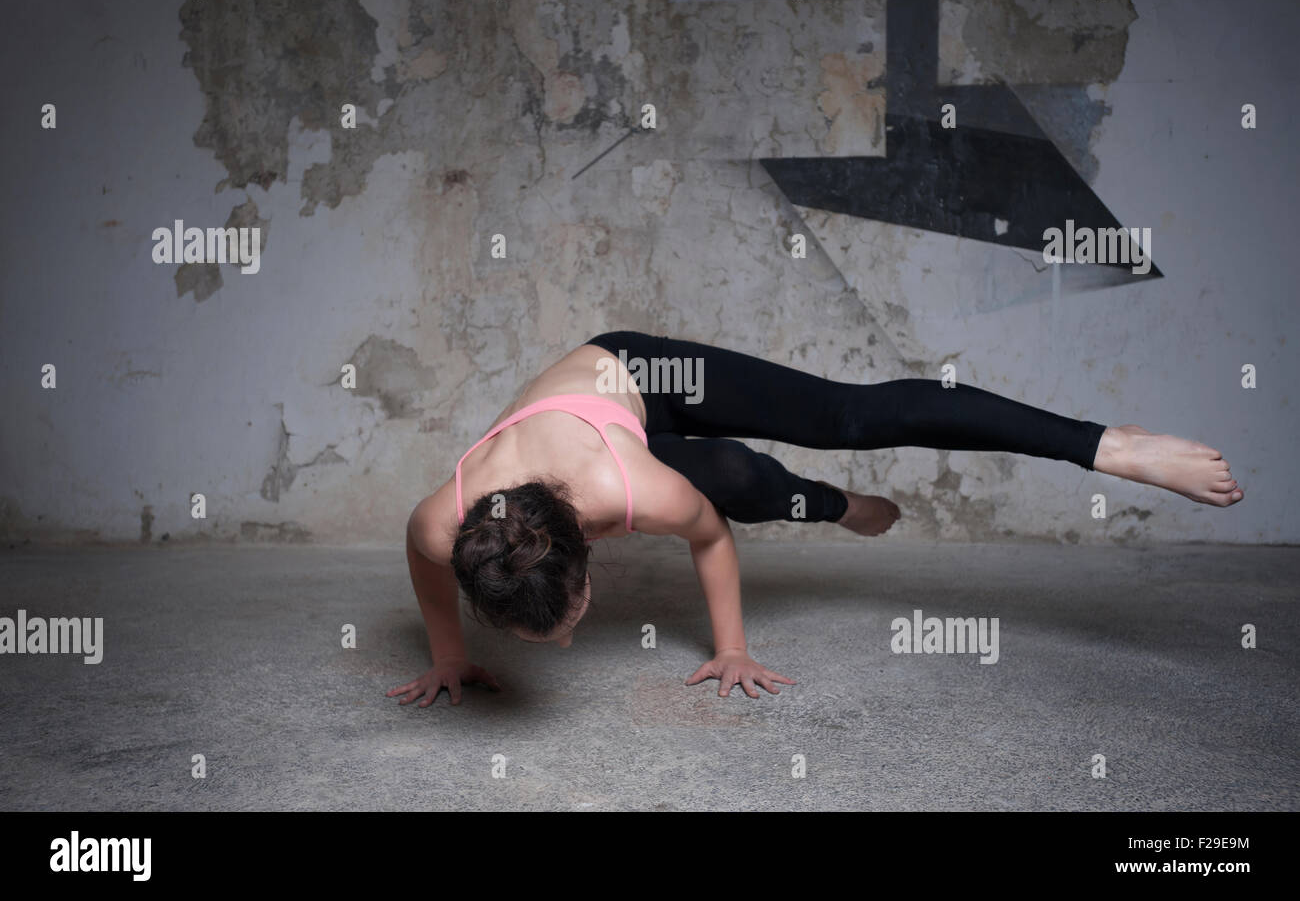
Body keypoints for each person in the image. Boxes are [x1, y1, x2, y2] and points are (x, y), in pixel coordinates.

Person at [387, 331, 1243, 706]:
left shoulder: (629, 493)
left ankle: (1105, 444)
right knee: (730, 473)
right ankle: (835, 507)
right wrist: (452, 657)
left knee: (845, 419)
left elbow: (710, 536)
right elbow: (426, 567)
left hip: (639, 376)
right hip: (610, 443)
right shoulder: (444, 524)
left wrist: (731, 646)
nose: (569, 642)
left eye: (565, 623)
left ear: (589, 545)